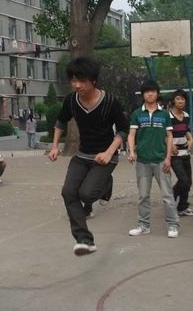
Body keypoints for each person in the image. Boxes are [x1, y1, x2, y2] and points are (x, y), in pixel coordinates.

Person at [48, 57, 129, 256]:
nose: (77, 85)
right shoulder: (71, 100)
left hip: (106, 156)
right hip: (83, 155)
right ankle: (84, 239)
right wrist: (55, 146)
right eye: (73, 80)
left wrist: (109, 152)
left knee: (86, 194)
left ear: (93, 80)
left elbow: (123, 129)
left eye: (81, 80)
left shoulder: (109, 101)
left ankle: (106, 183)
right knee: (69, 193)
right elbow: (60, 121)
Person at [127, 80, 179, 238]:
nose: (150, 94)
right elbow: (131, 135)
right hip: (142, 161)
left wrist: (168, 158)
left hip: (161, 160)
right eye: (146, 91)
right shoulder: (137, 114)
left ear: (157, 93)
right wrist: (131, 152)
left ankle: (173, 225)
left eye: (153, 91)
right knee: (143, 196)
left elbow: (169, 136)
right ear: (143, 94)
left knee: (167, 195)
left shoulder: (164, 114)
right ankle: (143, 225)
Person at [169, 89, 193, 217]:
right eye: (178, 99)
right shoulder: (168, 116)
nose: (180, 101)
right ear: (173, 101)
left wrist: (191, 140)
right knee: (183, 180)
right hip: (174, 155)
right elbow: (164, 133)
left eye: (183, 99)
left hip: (185, 153)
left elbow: (186, 130)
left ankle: (182, 207)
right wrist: (170, 145)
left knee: (188, 182)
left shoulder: (186, 115)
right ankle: (170, 200)